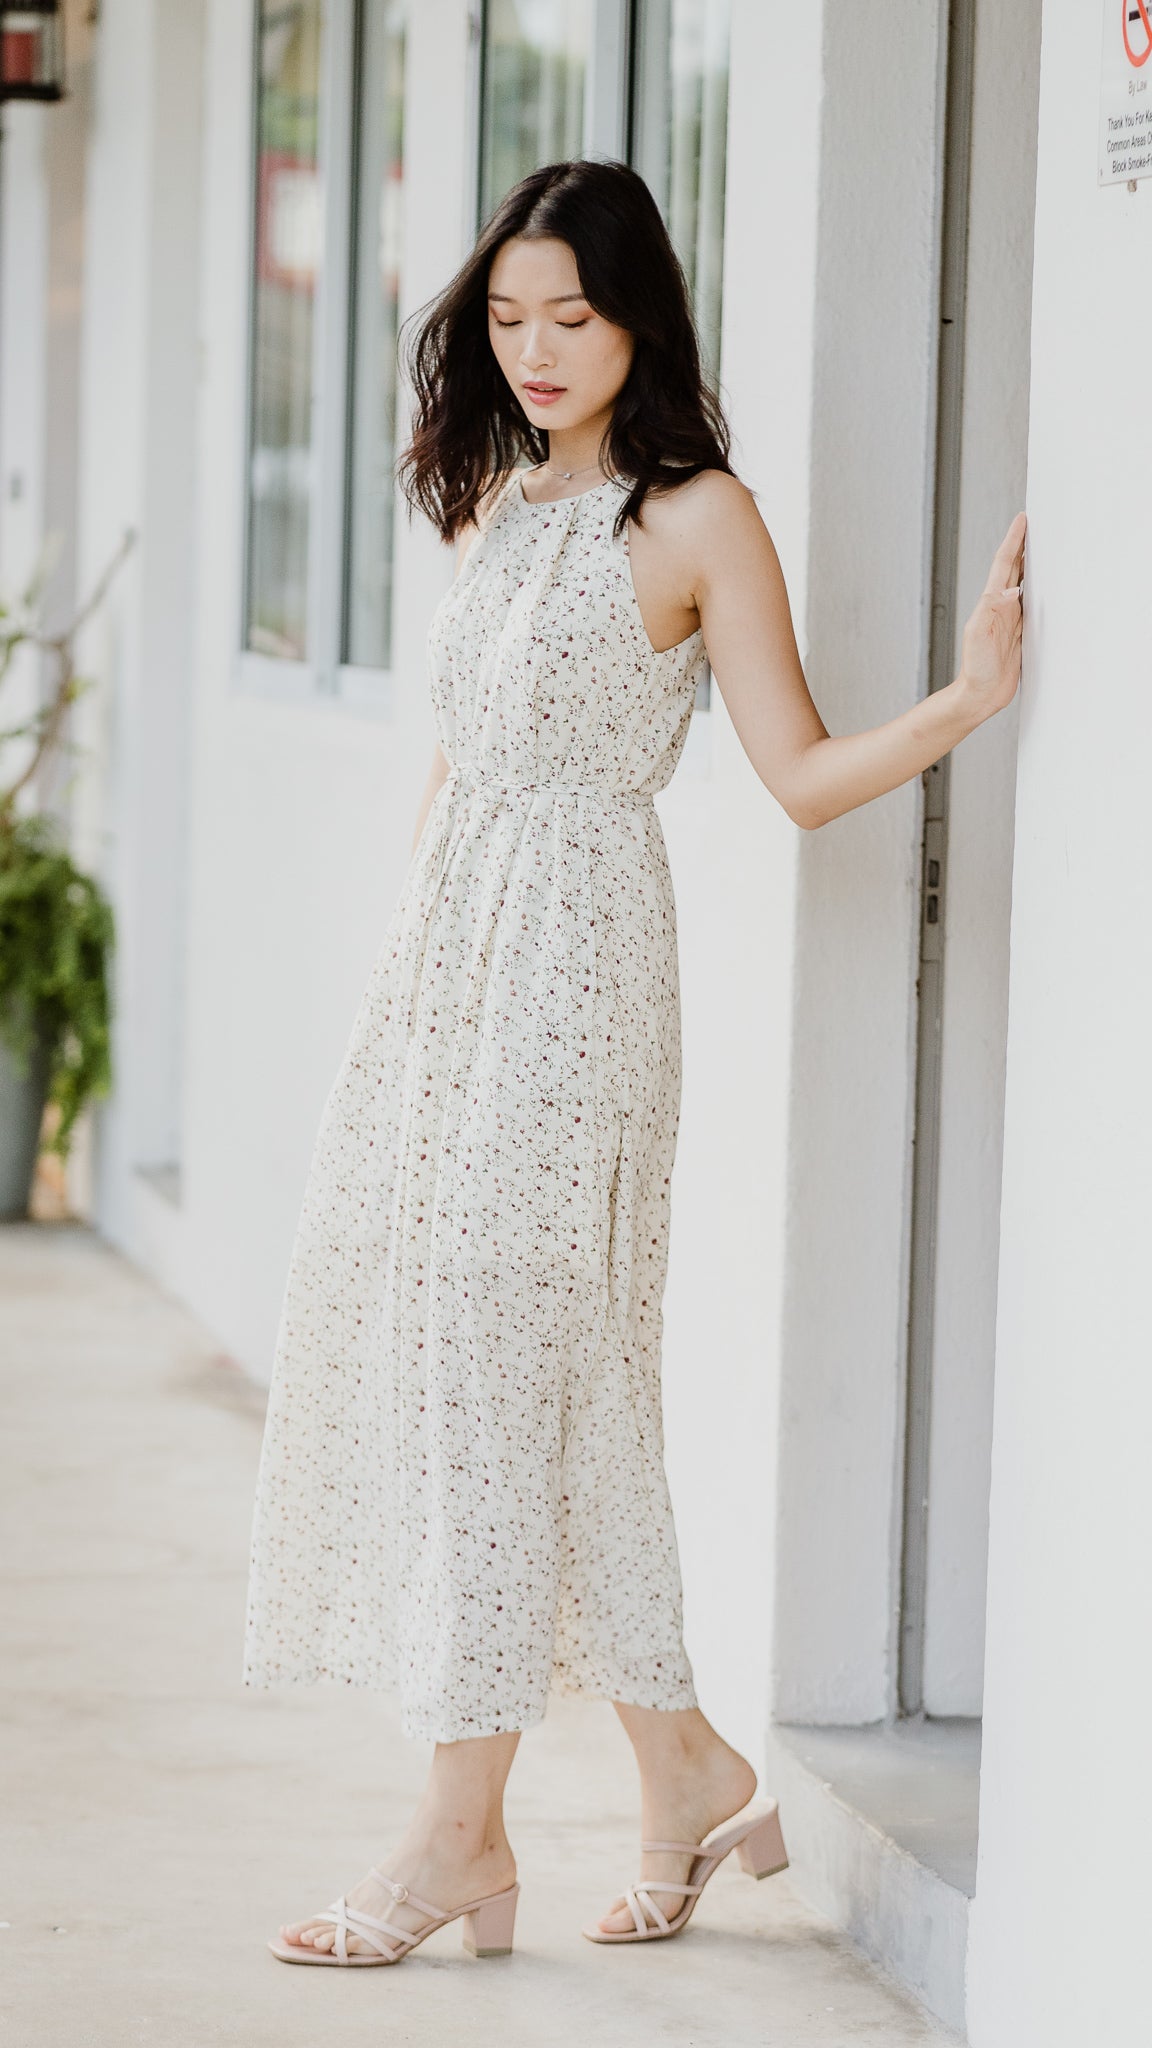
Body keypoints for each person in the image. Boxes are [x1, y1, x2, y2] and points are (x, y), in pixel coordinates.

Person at [243, 159, 1025, 1969]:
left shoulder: (696, 519)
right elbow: (457, 760)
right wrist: (403, 992)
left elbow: (799, 773)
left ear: (639, 321)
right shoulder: (495, 499)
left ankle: (457, 1840)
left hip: (581, 984)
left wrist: (966, 701)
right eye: (509, 318)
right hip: (450, 974)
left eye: (570, 318)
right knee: (537, 1381)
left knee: (498, 1378)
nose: (534, 350)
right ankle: (685, 1777)